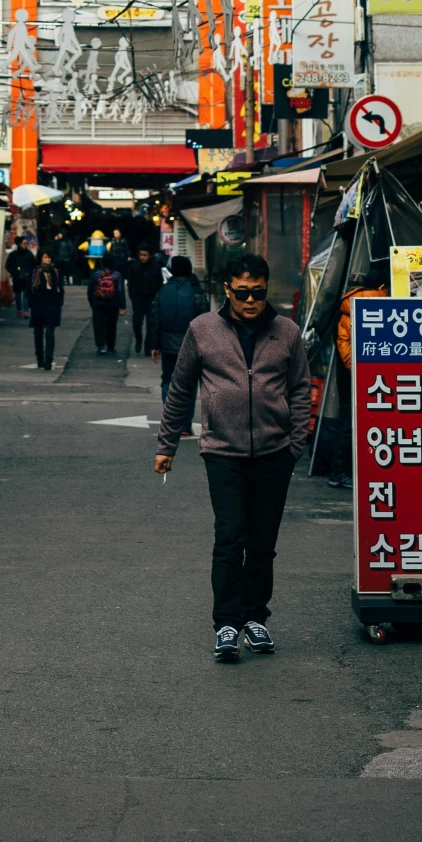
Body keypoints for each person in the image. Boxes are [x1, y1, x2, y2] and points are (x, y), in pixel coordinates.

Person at [154, 251, 311, 663]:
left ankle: (255, 617)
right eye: (242, 293)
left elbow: (299, 389)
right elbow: (180, 389)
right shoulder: (202, 330)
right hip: (223, 453)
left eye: (258, 293)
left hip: (275, 454)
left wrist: (296, 445)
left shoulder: (287, 332)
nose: (250, 301)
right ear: (228, 290)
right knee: (230, 537)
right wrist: (166, 446)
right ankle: (226, 624)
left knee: (263, 543)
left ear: (265, 290)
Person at [152, 255, 207, 402]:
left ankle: (169, 416)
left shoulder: (162, 291)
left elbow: (155, 320)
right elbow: (205, 322)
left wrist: (154, 345)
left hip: (168, 344)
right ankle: (186, 421)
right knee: (189, 383)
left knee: (168, 380)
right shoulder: (197, 292)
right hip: (191, 346)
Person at [29, 247, 65, 370]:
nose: (47, 260)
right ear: (40, 258)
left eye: (49, 257)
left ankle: (48, 360)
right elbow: (30, 290)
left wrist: (60, 303)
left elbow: (60, 288)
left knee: (50, 333)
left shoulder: (55, 272)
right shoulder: (35, 272)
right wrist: (31, 304)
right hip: (38, 306)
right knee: (38, 334)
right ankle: (40, 358)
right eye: (45, 257)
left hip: (52, 306)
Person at [126, 246, 166, 355]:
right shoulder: (134, 267)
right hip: (138, 298)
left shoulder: (155, 267)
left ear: (150, 256)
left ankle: (147, 346)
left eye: (145, 255)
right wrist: (132, 297)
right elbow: (130, 284)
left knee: (151, 325)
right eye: (141, 255)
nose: (142, 257)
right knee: (137, 323)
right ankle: (138, 340)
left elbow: (159, 283)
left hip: (151, 299)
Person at [87, 255, 126, 355]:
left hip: (98, 303)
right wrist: (122, 306)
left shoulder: (96, 274)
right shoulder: (117, 275)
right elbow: (120, 290)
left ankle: (100, 346)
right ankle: (111, 346)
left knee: (98, 325)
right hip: (113, 304)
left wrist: (91, 302)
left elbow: (90, 290)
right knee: (111, 325)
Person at [7, 236, 37, 321]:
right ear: (19, 244)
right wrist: (15, 273)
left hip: (27, 277)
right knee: (17, 295)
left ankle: (26, 311)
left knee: (26, 294)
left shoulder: (29, 254)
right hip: (17, 278)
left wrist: (30, 273)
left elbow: (33, 265)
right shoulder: (13, 254)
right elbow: (8, 265)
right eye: (24, 243)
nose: (25, 245)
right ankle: (19, 309)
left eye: (26, 243)